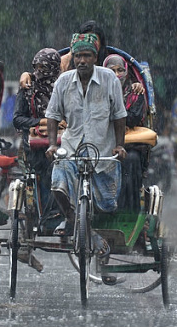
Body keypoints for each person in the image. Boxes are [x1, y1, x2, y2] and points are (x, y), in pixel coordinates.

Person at [44, 33, 127, 256]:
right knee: (57, 183)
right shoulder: (63, 81)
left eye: (87, 56)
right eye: (78, 56)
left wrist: (120, 146)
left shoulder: (109, 78)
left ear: (95, 57)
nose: (82, 61)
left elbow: (119, 116)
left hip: (102, 151)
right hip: (72, 148)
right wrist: (52, 145)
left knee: (107, 204)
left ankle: (89, 225)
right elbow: (52, 115)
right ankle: (74, 221)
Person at [12, 47, 62, 272]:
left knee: (62, 167)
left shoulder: (64, 88)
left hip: (62, 143)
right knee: (44, 171)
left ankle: (61, 213)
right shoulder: (26, 90)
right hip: (33, 146)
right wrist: (40, 123)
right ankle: (46, 218)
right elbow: (17, 119)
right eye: (36, 67)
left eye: (44, 67)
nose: (39, 72)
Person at [103, 53, 147, 216]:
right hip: (100, 142)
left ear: (127, 72)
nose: (116, 75)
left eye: (120, 70)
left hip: (128, 144)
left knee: (131, 160)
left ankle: (126, 212)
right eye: (111, 70)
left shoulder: (135, 92)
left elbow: (134, 117)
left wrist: (110, 115)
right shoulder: (95, 90)